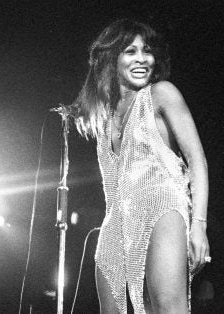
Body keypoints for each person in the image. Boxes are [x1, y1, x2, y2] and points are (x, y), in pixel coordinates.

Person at [71, 19, 210, 314]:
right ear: (111, 59)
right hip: (116, 221)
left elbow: (196, 159)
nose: (142, 59)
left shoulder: (162, 94)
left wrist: (198, 226)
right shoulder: (103, 115)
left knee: (167, 308)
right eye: (130, 51)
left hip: (162, 205)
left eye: (146, 51)